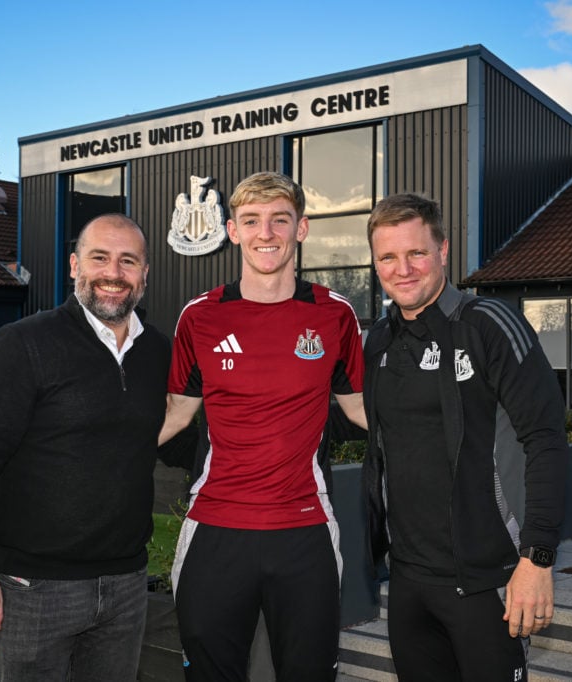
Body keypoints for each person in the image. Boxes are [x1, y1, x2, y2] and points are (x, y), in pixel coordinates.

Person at [0, 214, 191, 681]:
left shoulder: (159, 351)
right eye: (99, 257)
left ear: (145, 273)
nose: (113, 273)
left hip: (125, 586)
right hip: (32, 588)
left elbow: (174, 440)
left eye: (128, 261)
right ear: (75, 265)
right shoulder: (22, 345)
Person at [158, 171, 368, 681]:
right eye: (251, 220)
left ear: (302, 229)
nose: (266, 233)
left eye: (280, 219)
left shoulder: (336, 316)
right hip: (213, 530)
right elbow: (174, 418)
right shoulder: (199, 317)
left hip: (304, 532)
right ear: (232, 231)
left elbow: (365, 413)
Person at [362, 193, 568, 681]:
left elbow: (546, 439)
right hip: (408, 584)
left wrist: (536, 558)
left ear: (444, 250)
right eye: (388, 257)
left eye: (416, 252)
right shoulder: (378, 342)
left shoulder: (489, 325)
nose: (403, 268)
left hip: (486, 582)